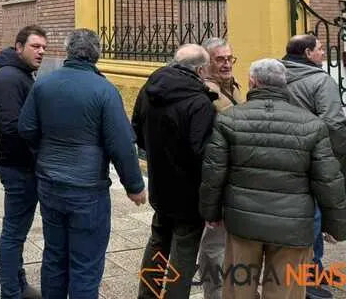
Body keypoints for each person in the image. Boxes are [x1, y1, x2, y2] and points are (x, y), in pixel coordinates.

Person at [200, 58, 346, 299]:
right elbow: (328, 179)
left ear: (252, 82)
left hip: (243, 222)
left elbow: (214, 172)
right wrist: (336, 226)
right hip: (293, 226)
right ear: (284, 83)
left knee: (238, 289)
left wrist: (211, 213)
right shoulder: (312, 124)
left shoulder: (230, 119)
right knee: (285, 291)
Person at [19, 29, 146, 298]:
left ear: (68, 51)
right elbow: (122, 144)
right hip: (87, 191)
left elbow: (26, 128)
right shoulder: (104, 89)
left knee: (54, 256)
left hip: (50, 184)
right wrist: (134, 186)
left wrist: (45, 152)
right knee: (85, 265)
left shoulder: (44, 83)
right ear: (96, 54)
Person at [132, 44, 217, 299]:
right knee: (184, 253)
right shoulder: (200, 101)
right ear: (200, 70)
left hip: (160, 183)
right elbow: (202, 152)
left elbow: (137, 132)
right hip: (189, 193)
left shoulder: (149, 88)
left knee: (158, 242)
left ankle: (147, 295)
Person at [281, 34, 346, 299]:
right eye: (319, 49)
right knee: (314, 217)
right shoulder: (320, 80)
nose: (323, 53)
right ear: (307, 53)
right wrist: (337, 156)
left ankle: (311, 272)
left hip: (281, 159)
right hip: (313, 159)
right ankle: (309, 282)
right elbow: (334, 123)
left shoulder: (275, 75)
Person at [0, 25, 48, 299]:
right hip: (18, 167)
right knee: (14, 232)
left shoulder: (20, 74)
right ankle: (11, 291)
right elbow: (13, 128)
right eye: (35, 46)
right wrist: (38, 150)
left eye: (44, 47)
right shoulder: (9, 79)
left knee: (18, 231)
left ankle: (18, 284)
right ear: (19, 47)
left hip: (22, 165)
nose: (41, 52)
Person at [196, 38, 246, 299]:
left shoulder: (233, 86)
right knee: (214, 242)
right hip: (217, 176)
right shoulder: (205, 95)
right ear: (207, 63)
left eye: (229, 58)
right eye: (220, 59)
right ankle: (214, 292)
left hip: (236, 176)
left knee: (230, 242)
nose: (227, 64)